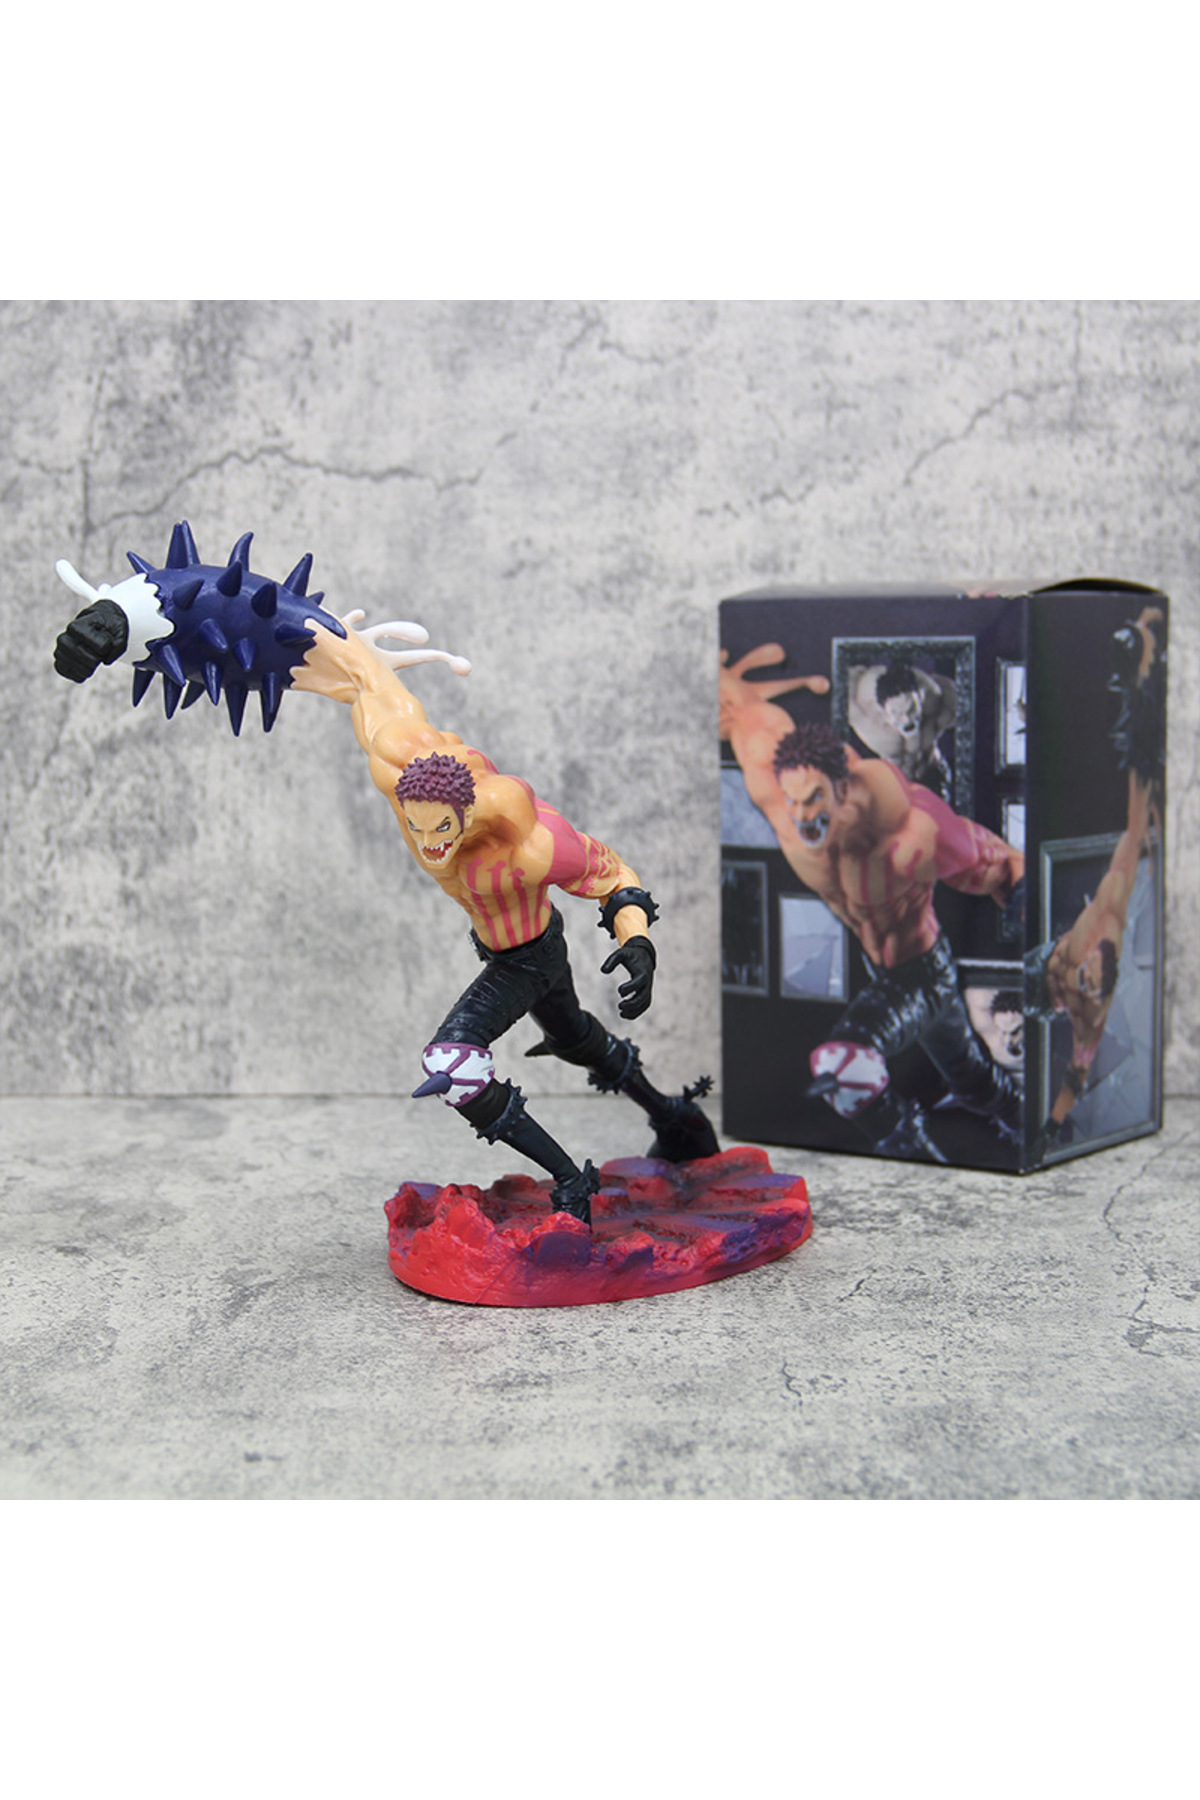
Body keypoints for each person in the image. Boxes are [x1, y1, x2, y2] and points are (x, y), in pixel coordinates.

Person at [282, 614, 718, 1224]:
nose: (431, 845)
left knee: (452, 1064)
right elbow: (367, 679)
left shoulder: (527, 843)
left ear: (468, 815)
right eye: (417, 828)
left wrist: (638, 943)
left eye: (443, 829)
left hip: (529, 957)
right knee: (573, 1038)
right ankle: (675, 1117)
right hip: (504, 948)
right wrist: (277, 635)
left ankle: (572, 1183)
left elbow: (613, 874)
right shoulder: (397, 769)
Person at [723, 654, 1023, 1158]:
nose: (800, 816)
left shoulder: (909, 829)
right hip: (886, 971)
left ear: (843, 788)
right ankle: (1025, 1119)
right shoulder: (774, 786)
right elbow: (743, 713)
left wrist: (1030, 908)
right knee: (971, 1079)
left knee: (843, 1067)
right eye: (792, 801)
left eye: (813, 799)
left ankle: (920, 1160)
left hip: (921, 974)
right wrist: (730, 689)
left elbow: (1002, 867)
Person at [1026, 607, 1165, 1156]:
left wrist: (1052, 1124)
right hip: (1044, 960)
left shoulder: (1093, 1003)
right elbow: (1133, 827)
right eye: (1081, 978)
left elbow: (1078, 1072)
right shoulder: (1109, 910)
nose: (1080, 982)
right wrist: (1049, 1128)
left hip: (1035, 994)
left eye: (1075, 980)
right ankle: (1139, 675)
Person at [848, 658, 957, 801]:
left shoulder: (938, 701)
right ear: (884, 714)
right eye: (897, 713)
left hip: (932, 772)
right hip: (896, 786)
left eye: (911, 709)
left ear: (920, 698)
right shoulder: (866, 719)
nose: (906, 719)